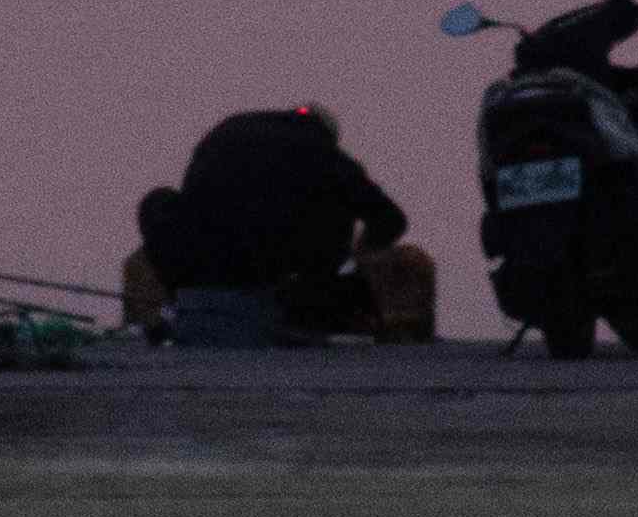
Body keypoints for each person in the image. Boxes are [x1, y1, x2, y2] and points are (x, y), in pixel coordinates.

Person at [132, 101, 423, 343]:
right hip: (274, 276)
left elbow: (190, 193)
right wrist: (358, 252)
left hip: (202, 269)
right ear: (327, 133)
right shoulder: (324, 153)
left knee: (158, 201)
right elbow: (390, 220)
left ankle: (178, 302)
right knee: (333, 205)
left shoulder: (231, 128)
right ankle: (309, 307)